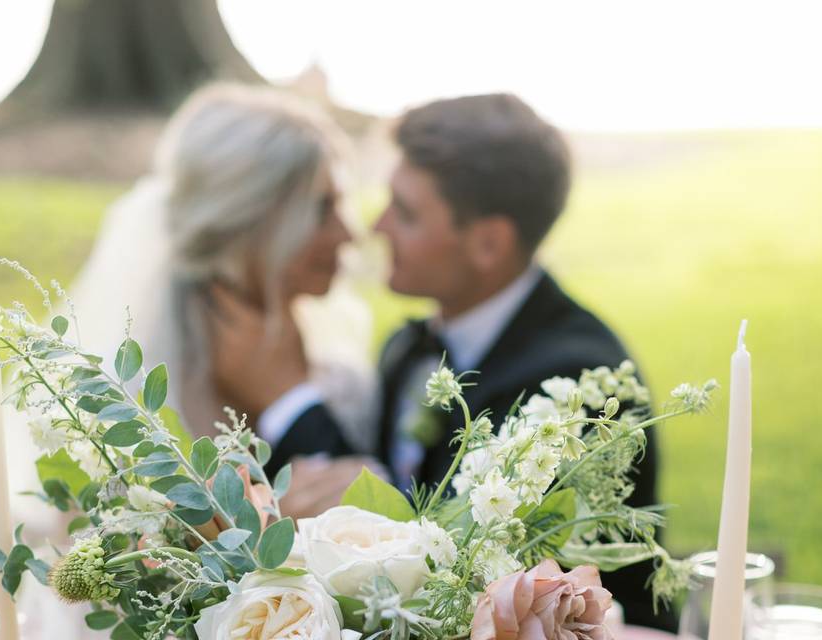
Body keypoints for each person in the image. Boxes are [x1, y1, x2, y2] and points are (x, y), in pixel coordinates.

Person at [213, 93, 673, 630]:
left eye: (405, 213)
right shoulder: (408, 345)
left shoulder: (571, 387)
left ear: (488, 244)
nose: (377, 227)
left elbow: (445, 572)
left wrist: (290, 400)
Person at [0, 83, 382, 638]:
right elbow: (103, 572)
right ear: (247, 223)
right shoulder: (126, 387)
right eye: (321, 209)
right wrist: (251, 523)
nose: (348, 234)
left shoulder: (335, 363)